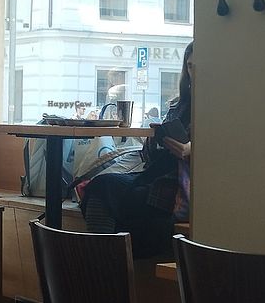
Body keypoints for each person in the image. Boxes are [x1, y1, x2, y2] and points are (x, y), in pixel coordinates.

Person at [81, 41, 193, 258]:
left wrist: (192, 150)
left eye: (197, 66)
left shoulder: (217, 107)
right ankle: (103, 262)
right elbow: (150, 158)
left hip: (179, 185)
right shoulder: (180, 106)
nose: (193, 72)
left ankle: (103, 263)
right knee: (100, 186)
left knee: (106, 189)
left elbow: (226, 150)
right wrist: (154, 140)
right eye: (189, 66)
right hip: (157, 175)